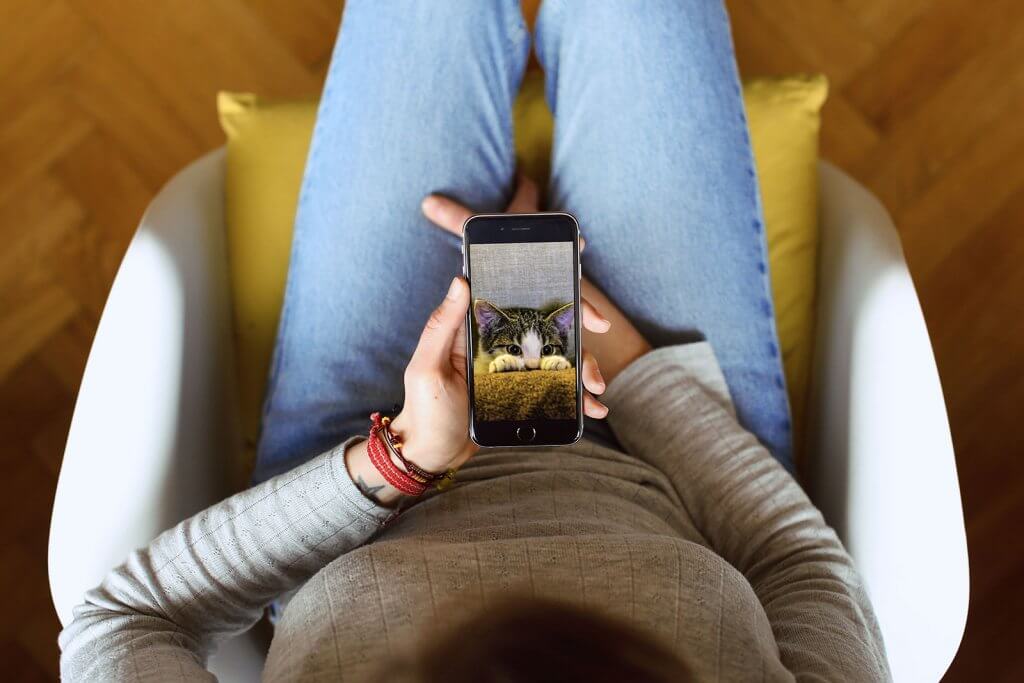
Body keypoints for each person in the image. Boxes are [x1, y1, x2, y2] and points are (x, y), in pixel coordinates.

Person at [58, 2, 890, 681]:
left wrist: (400, 460)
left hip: (367, 449)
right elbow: (802, 570)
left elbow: (119, 623)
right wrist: (626, 354)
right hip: (675, 447)